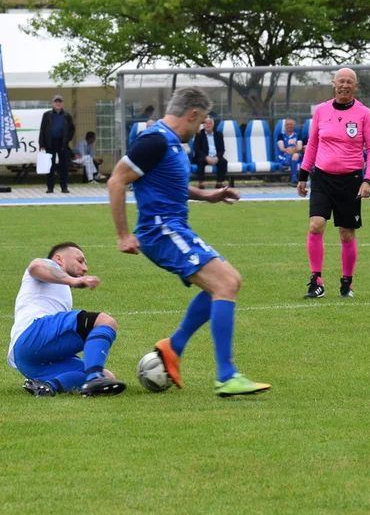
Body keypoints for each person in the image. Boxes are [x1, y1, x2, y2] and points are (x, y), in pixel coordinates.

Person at [108, 87, 271, 397]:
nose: (201, 128)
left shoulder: (169, 143)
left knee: (229, 282)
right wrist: (123, 234)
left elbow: (167, 185)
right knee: (225, 284)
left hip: (175, 229)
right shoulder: (154, 141)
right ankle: (227, 375)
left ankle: (174, 347)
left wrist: (206, 195)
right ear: (192, 114)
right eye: (202, 121)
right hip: (161, 231)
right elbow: (116, 180)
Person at [297, 68, 370, 299]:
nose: (344, 85)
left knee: (346, 234)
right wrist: (303, 176)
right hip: (322, 177)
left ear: (355, 86)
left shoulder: (363, 113)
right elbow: (312, 144)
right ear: (334, 84)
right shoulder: (322, 111)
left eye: (349, 82)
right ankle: (316, 281)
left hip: (351, 180)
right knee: (316, 224)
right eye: (341, 81)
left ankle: (347, 283)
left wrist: (368, 179)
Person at [8, 242, 125, 398]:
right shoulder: (49, 265)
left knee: (108, 376)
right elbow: (36, 266)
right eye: (80, 260)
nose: (85, 268)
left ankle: (48, 386)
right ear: (59, 259)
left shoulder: (59, 289)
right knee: (105, 322)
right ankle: (94, 379)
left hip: (27, 360)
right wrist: (73, 281)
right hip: (34, 331)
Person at [37, 95, 75, 194]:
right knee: (50, 166)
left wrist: (68, 139)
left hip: (62, 143)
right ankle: (50, 187)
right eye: (56, 102)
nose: (58, 103)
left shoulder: (67, 115)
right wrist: (42, 143)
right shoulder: (47, 115)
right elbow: (43, 129)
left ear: (62, 103)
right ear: (52, 103)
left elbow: (72, 129)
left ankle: (64, 187)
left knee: (64, 166)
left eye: (60, 102)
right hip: (50, 143)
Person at [193, 116, 227, 189]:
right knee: (201, 161)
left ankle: (219, 183)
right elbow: (197, 149)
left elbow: (222, 149)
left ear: (213, 125)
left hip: (215, 156)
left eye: (210, 123)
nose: (208, 125)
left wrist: (217, 157)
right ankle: (201, 183)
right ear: (203, 125)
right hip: (203, 156)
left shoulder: (219, 135)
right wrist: (206, 157)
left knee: (224, 162)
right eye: (206, 123)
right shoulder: (199, 134)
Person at [276, 118, 304, 186]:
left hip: (295, 156)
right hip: (283, 155)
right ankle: (294, 179)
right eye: (287, 124)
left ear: (294, 125)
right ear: (285, 126)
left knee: (295, 155)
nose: (289, 126)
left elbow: (300, 147)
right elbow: (282, 148)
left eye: (291, 124)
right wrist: (289, 150)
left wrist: (292, 150)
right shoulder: (281, 135)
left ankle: (286, 164)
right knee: (294, 155)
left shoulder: (298, 135)